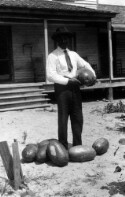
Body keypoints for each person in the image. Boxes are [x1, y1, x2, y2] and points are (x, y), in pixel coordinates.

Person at [47, 26, 96, 149]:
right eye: (61, 39)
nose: (64, 41)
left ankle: (77, 145)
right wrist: (67, 81)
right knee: (63, 118)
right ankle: (63, 146)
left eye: (66, 38)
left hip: (75, 88)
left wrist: (93, 76)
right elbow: (50, 75)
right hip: (62, 88)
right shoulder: (52, 56)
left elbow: (85, 64)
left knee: (77, 117)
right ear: (57, 40)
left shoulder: (73, 54)